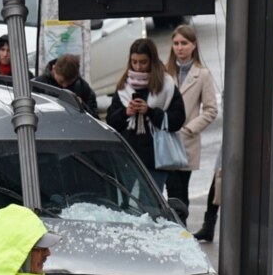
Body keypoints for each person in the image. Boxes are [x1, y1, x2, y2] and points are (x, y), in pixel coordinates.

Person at [106, 37, 186, 190]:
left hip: (156, 158)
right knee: (125, 205)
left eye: (143, 62)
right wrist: (126, 112)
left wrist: (149, 112)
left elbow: (177, 120)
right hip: (128, 156)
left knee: (152, 207)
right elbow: (111, 122)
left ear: (152, 61)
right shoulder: (124, 86)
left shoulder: (166, 85)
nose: (138, 67)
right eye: (134, 62)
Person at [163, 24, 219, 214]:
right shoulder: (165, 73)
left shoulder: (202, 74)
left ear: (193, 45)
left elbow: (211, 109)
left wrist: (189, 128)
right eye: (176, 43)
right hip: (166, 140)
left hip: (187, 142)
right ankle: (177, 229)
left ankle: (182, 230)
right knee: (171, 190)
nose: (179, 48)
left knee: (181, 190)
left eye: (184, 43)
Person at [33, 53, 98, 117]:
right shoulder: (40, 84)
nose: (65, 86)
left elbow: (94, 116)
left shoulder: (82, 86)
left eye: (70, 82)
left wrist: (81, 104)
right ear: (54, 68)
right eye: (61, 81)